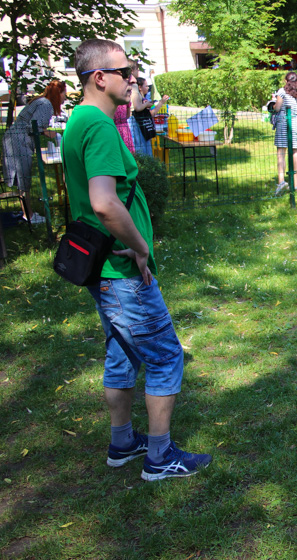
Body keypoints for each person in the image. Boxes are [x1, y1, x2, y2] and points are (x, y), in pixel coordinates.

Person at [63, 38, 211, 481]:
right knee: (166, 357)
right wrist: (142, 249)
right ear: (99, 78)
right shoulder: (100, 127)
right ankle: (160, 457)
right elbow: (105, 202)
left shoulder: (80, 119)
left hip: (103, 268)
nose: (132, 78)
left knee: (122, 353)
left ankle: (123, 442)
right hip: (122, 269)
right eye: (125, 71)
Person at [1, 78, 67, 223]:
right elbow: (34, 127)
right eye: (64, 94)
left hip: (14, 140)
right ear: (58, 93)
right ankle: (29, 216)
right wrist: (54, 134)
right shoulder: (46, 104)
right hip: (18, 143)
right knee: (23, 180)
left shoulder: (42, 101)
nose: (65, 98)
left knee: (22, 181)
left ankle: (27, 213)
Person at [273, 71, 297, 195]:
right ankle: (295, 184)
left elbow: (277, 108)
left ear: (286, 81)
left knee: (281, 154)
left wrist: (272, 104)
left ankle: (281, 182)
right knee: (296, 154)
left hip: (283, 125)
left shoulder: (282, 92)